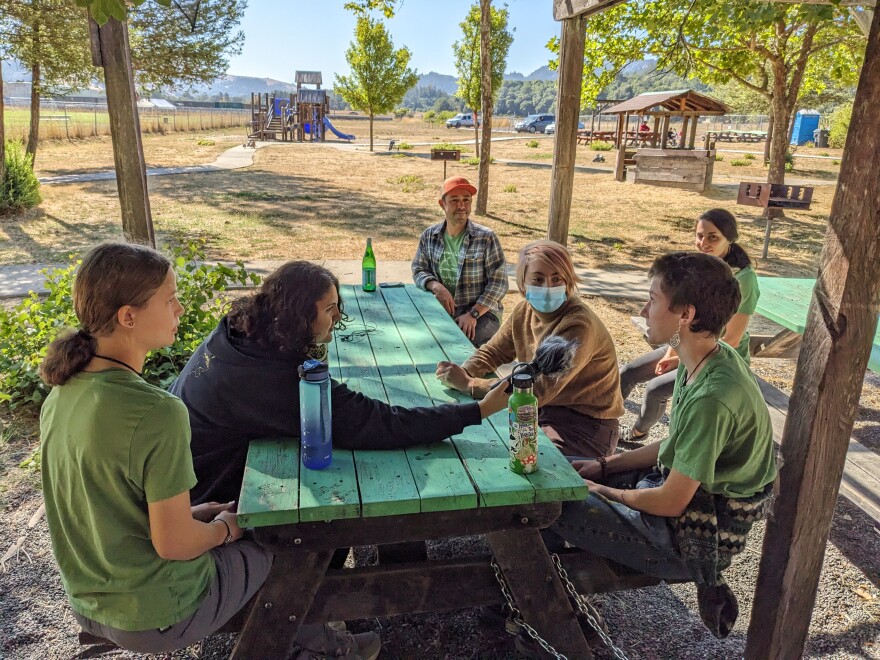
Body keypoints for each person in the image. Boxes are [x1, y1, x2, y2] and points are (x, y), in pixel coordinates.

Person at [39, 243, 387, 659]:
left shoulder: (62, 393)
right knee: (302, 540)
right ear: (127, 317)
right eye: (170, 300)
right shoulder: (157, 412)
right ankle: (316, 649)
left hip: (91, 603)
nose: (180, 310)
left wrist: (193, 516)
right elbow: (175, 547)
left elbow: (111, 507)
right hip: (158, 610)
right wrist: (226, 529)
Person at [546, 252, 776, 638]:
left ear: (686, 315)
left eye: (652, 299)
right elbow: (676, 445)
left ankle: (547, 614)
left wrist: (601, 490)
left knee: (547, 499)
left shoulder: (713, 397)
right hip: (685, 507)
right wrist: (604, 467)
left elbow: (671, 502)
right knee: (559, 467)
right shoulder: (705, 357)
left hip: (694, 540)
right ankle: (554, 600)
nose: (643, 308)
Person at [169, 260, 509, 506]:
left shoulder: (238, 330)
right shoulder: (274, 380)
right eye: (330, 309)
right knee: (336, 507)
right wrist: (477, 411)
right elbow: (381, 423)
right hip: (206, 499)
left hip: (187, 471)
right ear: (298, 316)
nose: (337, 317)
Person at [436, 240, 625, 459]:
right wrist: (466, 371)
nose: (547, 287)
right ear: (523, 283)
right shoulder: (525, 309)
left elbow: (539, 390)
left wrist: (471, 385)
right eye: (538, 279)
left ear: (568, 281)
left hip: (585, 425)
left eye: (557, 278)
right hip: (541, 411)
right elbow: (494, 351)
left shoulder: (577, 325)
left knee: (535, 468)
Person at [618, 209, 760, 443]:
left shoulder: (743, 279)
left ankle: (637, 434)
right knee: (628, 373)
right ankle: (606, 427)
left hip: (711, 354)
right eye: (699, 235)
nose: (703, 243)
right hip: (686, 344)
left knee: (654, 390)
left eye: (713, 237)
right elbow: (681, 322)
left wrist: (677, 358)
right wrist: (672, 351)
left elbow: (731, 340)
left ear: (730, 239)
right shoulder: (698, 268)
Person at [411, 175, 508, 347]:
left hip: (482, 313)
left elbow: (499, 284)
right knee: (417, 339)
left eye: (466, 200)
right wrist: (436, 286)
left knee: (460, 346)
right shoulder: (429, 235)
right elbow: (419, 269)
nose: (461, 206)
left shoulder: (485, 237)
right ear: (442, 204)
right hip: (442, 311)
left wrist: (473, 314)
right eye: (454, 200)